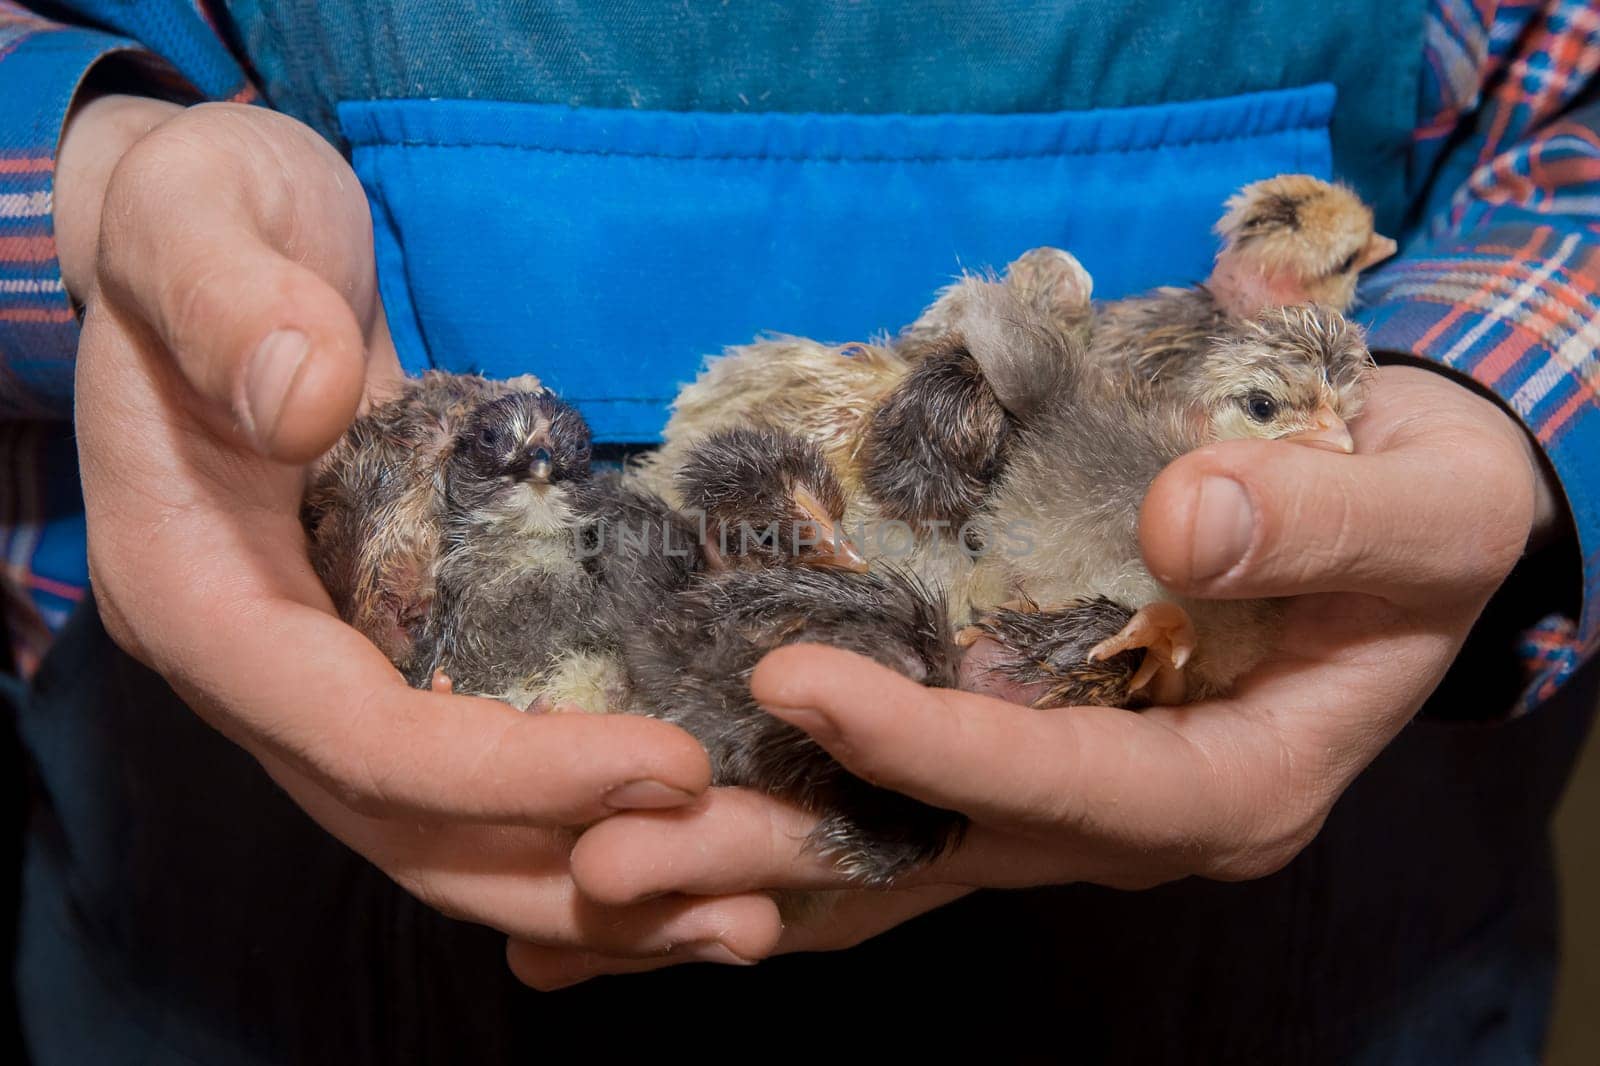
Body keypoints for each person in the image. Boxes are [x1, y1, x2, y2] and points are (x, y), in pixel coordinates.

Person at [3, 1, 1597, 1061]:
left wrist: (1516, 398)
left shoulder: (1142, 458)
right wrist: (94, 177)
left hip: (1313, 936)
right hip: (251, 898)